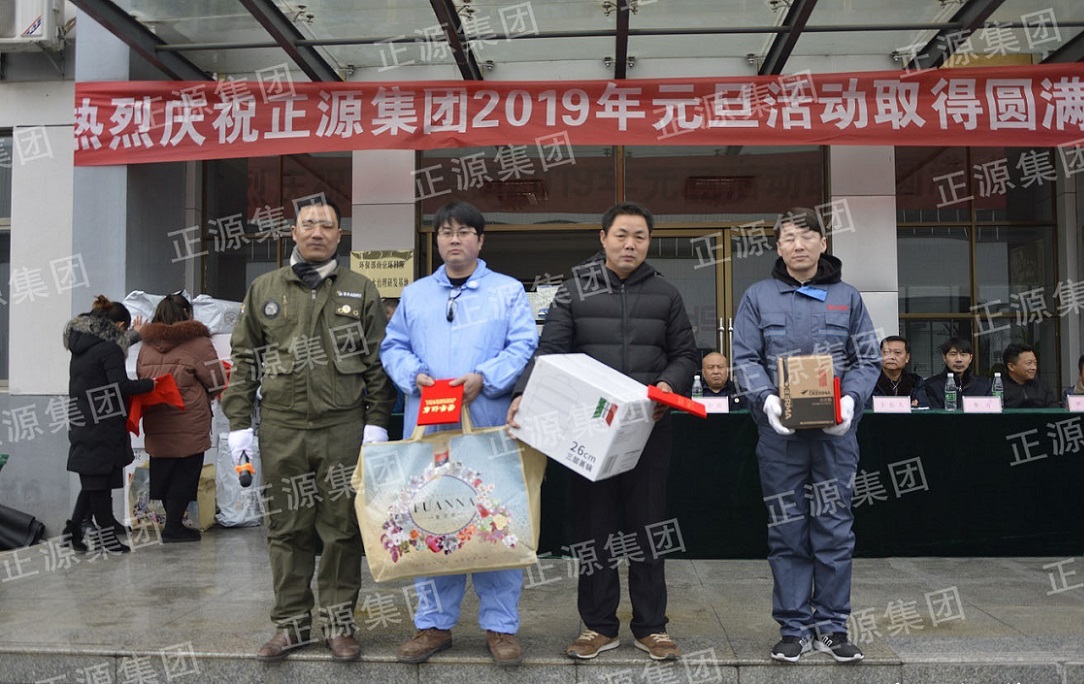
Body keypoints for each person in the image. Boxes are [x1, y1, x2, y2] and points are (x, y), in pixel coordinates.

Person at [508, 201, 698, 662]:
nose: (630, 244)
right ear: (603, 238)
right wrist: (523, 393)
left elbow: (686, 355)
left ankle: (652, 627)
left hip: (649, 428)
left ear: (648, 242)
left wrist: (667, 385)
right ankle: (598, 626)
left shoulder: (666, 294)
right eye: (621, 235)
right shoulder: (575, 290)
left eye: (639, 237)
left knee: (648, 527)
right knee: (594, 530)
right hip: (588, 430)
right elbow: (550, 351)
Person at [221, 197, 395, 663]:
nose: (317, 232)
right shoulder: (265, 288)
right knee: (286, 528)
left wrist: (376, 423)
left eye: (327, 225)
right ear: (293, 232)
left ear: (340, 235)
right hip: (282, 428)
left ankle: (338, 625)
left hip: (342, 427)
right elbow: (245, 359)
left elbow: (378, 363)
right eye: (308, 224)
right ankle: (292, 625)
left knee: (340, 530)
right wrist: (239, 425)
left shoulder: (360, 289)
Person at [380, 200, 538, 667]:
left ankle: (501, 627)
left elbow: (523, 344)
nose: (455, 239)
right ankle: (433, 624)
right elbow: (393, 346)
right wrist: (413, 375)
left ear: (480, 241)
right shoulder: (415, 295)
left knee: (498, 522)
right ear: (437, 240)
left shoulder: (507, 291)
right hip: (430, 427)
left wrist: (485, 378)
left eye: (465, 231)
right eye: (446, 232)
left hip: (489, 424)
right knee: (432, 521)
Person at [731, 207, 879, 664]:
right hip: (781, 438)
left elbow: (867, 358)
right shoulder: (758, 297)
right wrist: (766, 400)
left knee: (834, 528)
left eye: (807, 236)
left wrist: (850, 401)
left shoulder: (847, 298)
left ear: (823, 243)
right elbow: (744, 358)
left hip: (836, 436)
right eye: (789, 238)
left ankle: (832, 628)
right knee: (787, 528)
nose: (798, 245)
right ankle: (794, 628)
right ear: (778, 247)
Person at [63, 296, 156, 555]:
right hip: (102, 424)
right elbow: (120, 385)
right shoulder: (109, 349)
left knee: (94, 481)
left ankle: (72, 531)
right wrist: (150, 384)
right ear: (119, 325)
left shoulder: (82, 345)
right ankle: (107, 539)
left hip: (83, 419)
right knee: (99, 486)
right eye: (125, 330)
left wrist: (135, 333)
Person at [136, 293, 223, 543]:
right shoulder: (198, 342)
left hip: (157, 417)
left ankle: (172, 523)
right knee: (186, 472)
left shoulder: (147, 345)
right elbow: (216, 379)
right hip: (189, 418)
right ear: (186, 314)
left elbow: (142, 376)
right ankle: (174, 526)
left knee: (164, 470)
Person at [915, 337, 991, 409]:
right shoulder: (931, 386)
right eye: (953, 354)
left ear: (970, 358)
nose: (959, 359)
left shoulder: (983, 385)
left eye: (963, 354)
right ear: (944, 357)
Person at [1001, 343, 1059, 408]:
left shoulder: (1042, 387)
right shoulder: (999, 389)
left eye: (1035, 363)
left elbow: (1055, 409)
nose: (1034, 368)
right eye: (1029, 363)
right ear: (1011, 367)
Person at [870, 336, 923, 406]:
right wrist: (907, 406)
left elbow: (923, 407)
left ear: (907, 358)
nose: (891, 357)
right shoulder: (869, 381)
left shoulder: (915, 381)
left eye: (897, 352)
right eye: (886, 352)